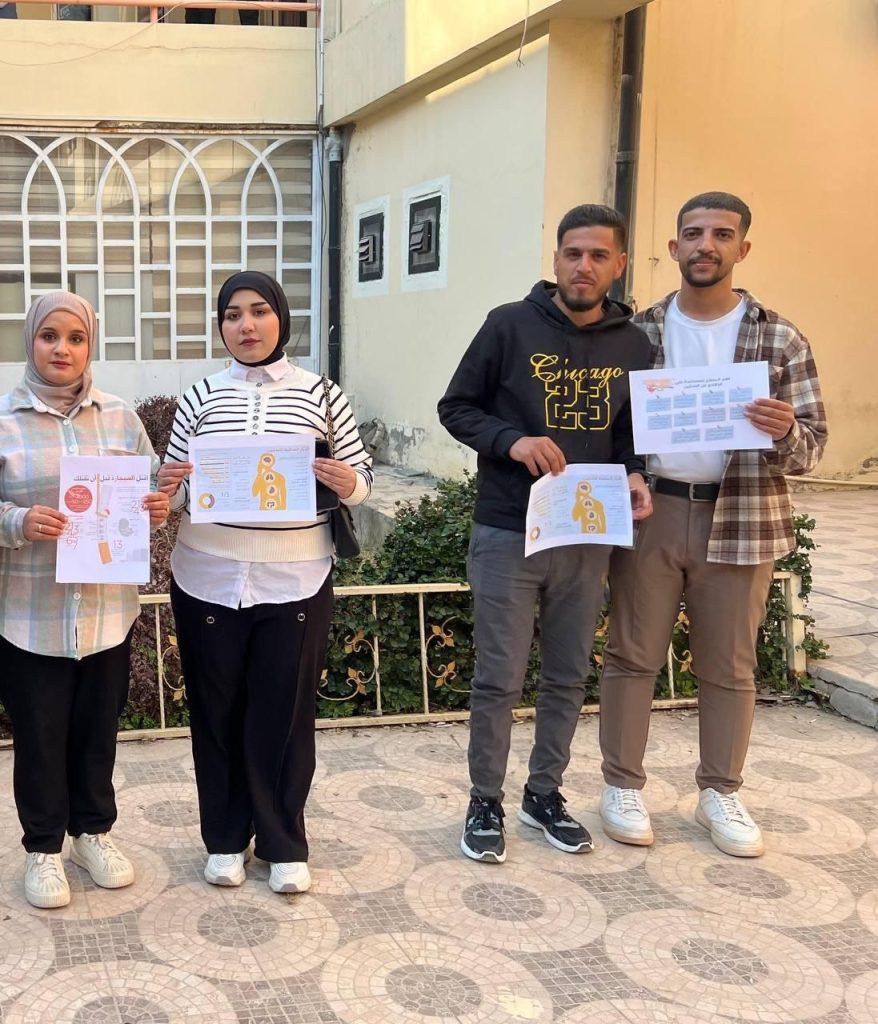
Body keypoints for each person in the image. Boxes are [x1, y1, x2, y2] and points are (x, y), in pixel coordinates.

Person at [598, 192, 828, 857]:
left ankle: (720, 791)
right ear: (674, 247)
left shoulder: (779, 337)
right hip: (653, 509)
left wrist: (784, 432)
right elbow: (609, 427)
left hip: (742, 512)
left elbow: (812, 447)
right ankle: (622, 785)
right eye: (694, 234)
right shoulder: (636, 333)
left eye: (722, 235)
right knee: (631, 654)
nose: (707, 245)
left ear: (742, 249)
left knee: (730, 664)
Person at [437, 205, 653, 864]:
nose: (583, 266)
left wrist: (635, 475)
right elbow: (456, 407)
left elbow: (630, 433)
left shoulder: (634, 346)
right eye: (572, 253)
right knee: (498, 679)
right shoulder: (508, 325)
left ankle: (544, 794)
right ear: (556, 258)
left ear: (619, 264)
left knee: (566, 675)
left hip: (586, 530)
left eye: (598, 255)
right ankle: (484, 800)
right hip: (509, 530)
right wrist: (513, 440)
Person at [157, 271, 373, 894]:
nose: (246, 326)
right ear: (220, 325)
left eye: (258, 311)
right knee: (215, 710)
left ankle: (283, 842)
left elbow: (362, 478)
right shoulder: (201, 396)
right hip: (206, 574)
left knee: (284, 713)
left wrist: (347, 482)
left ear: (281, 318)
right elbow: (176, 492)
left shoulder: (321, 394)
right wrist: (167, 491)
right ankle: (225, 839)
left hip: (295, 576)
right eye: (232, 314)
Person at [0, 292, 170, 909]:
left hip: (106, 613)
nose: (62, 349)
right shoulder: (4, 420)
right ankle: (44, 848)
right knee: (40, 737)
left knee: (98, 733)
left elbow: (152, 486)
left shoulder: (120, 418)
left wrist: (157, 506)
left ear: (90, 345)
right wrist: (18, 521)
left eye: (76, 337)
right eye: (49, 336)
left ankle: (92, 834)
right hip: (31, 615)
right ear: (30, 341)